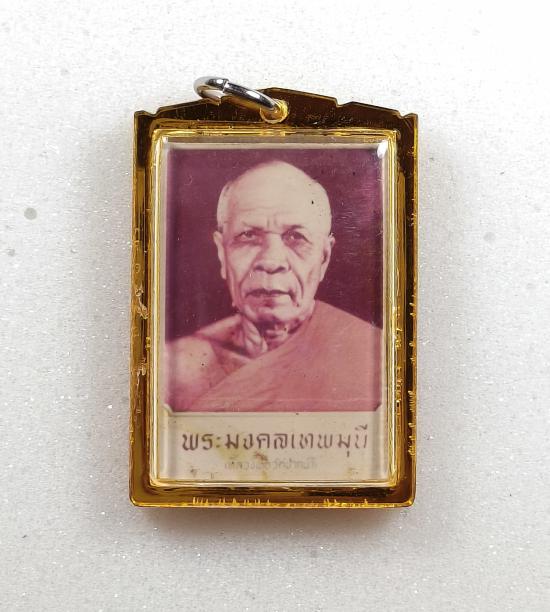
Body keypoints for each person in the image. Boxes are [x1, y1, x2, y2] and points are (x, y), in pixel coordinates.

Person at [164, 160, 381, 412]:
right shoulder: (173, 370)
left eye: (296, 237)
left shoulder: (375, 359)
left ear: (324, 258)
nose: (270, 261)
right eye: (248, 236)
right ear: (222, 253)